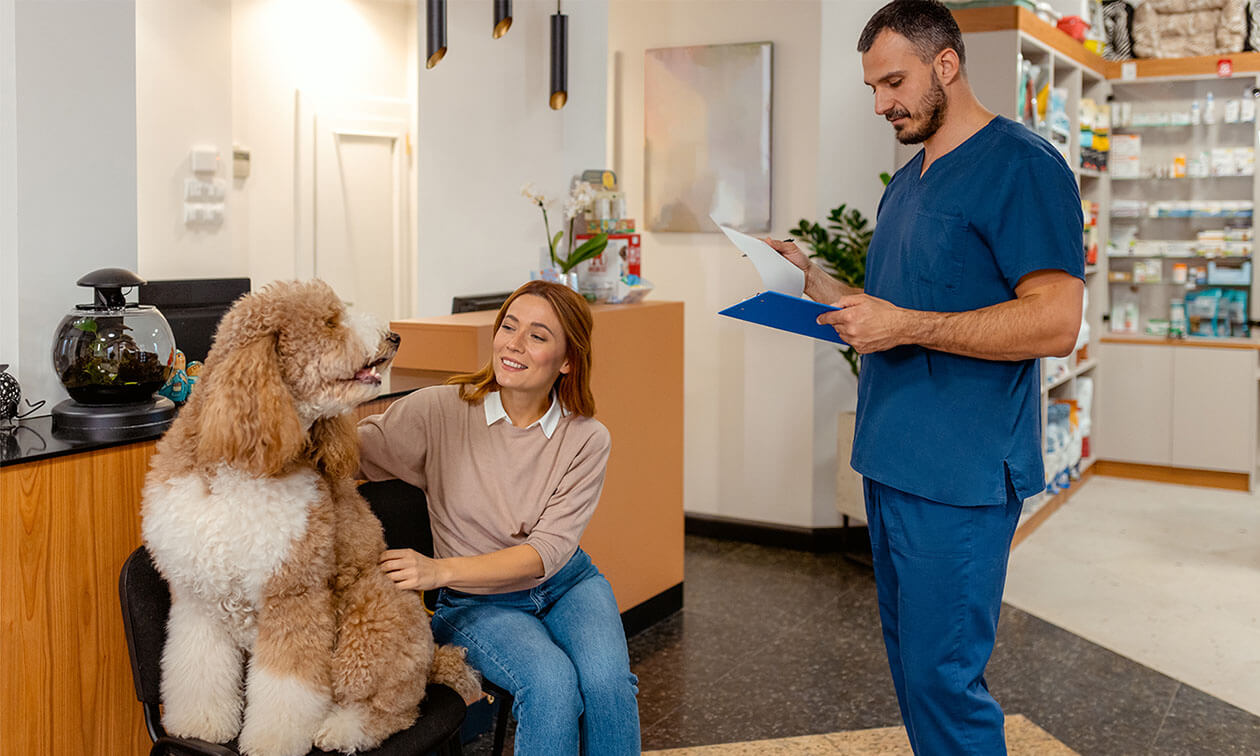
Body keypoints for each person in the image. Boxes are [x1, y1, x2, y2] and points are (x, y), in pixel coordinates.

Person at [766, 1, 1085, 753]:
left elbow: (1054, 322)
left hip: (960, 474)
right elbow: (894, 310)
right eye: (873, 88)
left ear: (947, 64)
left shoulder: (1023, 167)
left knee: (946, 679)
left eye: (894, 82)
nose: (881, 103)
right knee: (913, 671)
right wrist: (814, 281)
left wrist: (906, 325)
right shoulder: (908, 182)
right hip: (891, 459)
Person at [356, 280, 640, 755]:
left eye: (537, 335)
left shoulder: (588, 439)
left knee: (609, 686)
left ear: (567, 359)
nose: (514, 342)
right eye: (509, 326)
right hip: (477, 602)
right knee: (550, 685)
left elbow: (544, 553)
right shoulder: (440, 411)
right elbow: (346, 454)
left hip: (568, 584)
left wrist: (436, 569)